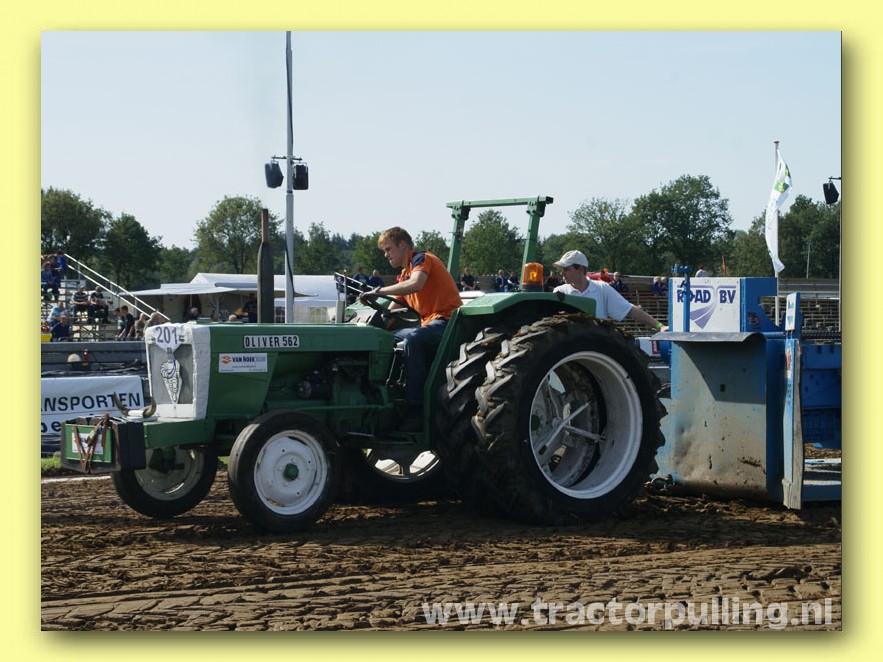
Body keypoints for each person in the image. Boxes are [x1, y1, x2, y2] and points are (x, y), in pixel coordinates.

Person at [359, 226, 462, 433]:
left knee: (413, 340)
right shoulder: (405, 275)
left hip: (447, 323)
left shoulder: (422, 260)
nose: (386, 255)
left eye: (388, 249)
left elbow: (416, 284)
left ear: (403, 245)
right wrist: (372, 332)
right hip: (429, 325)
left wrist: (379, 291)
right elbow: (390, 311)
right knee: (387, 339)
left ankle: (416, 409)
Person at [553, 250, 668, 332]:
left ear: (580, 269)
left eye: (566, 269)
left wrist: (659, 326)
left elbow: (629, 309)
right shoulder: (559, 292)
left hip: (596, 348)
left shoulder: (602, 288)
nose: (562, 273)